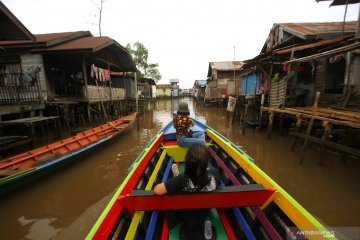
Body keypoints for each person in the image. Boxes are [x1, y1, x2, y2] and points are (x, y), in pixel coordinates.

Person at [154, 143, 220, 240]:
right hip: (204, 210)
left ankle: (175, 175)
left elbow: (157, 190)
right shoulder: (214, 174)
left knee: (174, 186)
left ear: (187, 163)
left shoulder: (182, 180)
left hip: (186, 212)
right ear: (206, 163)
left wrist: (176, 179)